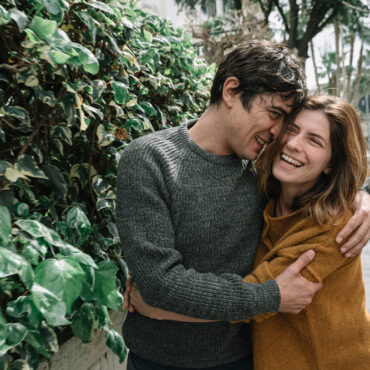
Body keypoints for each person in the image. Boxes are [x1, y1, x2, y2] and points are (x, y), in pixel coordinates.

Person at [116, 41, 370, 369]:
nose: (281, 135)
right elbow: (160, 282)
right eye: (276, 116)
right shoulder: (150, 159)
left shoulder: (264, 168)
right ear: (232, 91)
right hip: (158, 360)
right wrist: (270, 296)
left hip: (243, 359)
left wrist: (360, 197)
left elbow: (325, 176)